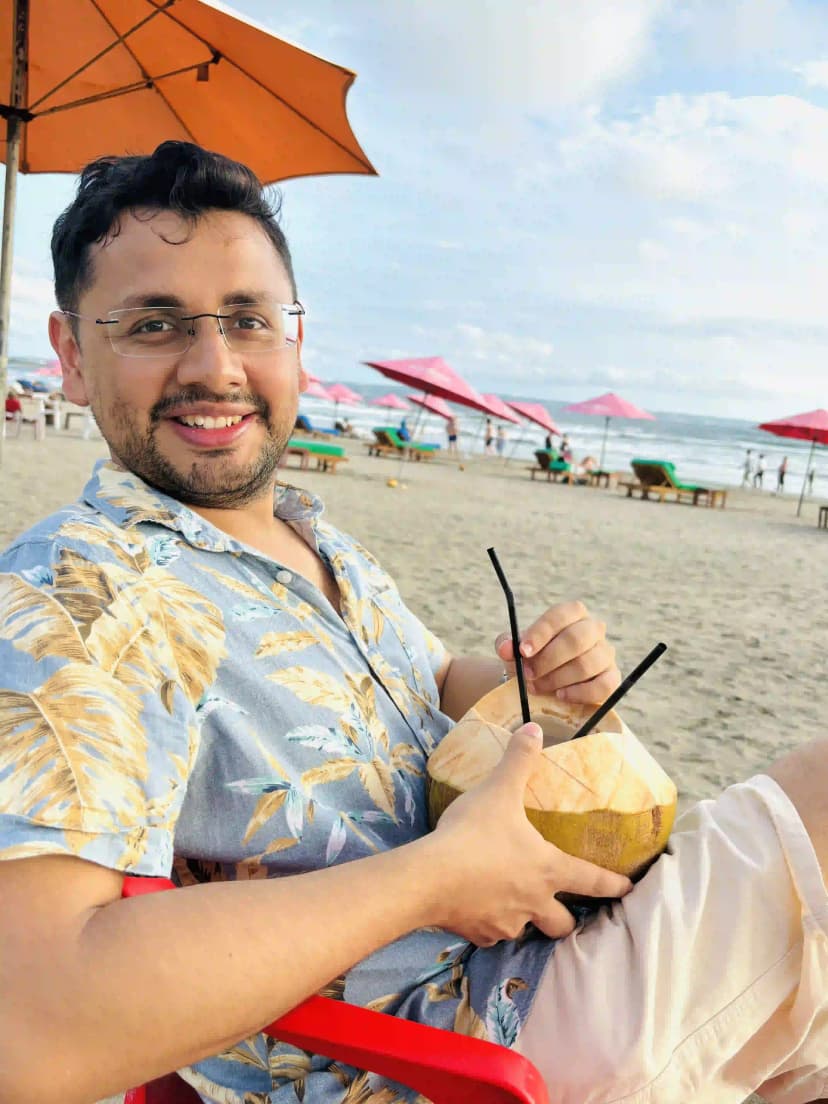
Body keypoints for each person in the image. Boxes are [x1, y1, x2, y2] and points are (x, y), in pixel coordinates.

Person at [0, 144, 825, 1104]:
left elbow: (431, 680)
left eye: (248, 320)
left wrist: (535, 685)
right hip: (441, 1044)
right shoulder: (82, 593)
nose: (214, 365)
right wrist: (437, 880)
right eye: (154, 324)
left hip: (540, 942)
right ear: (69, 356)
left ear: (295, 342)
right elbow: (32, 1025)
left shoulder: (313, 540)